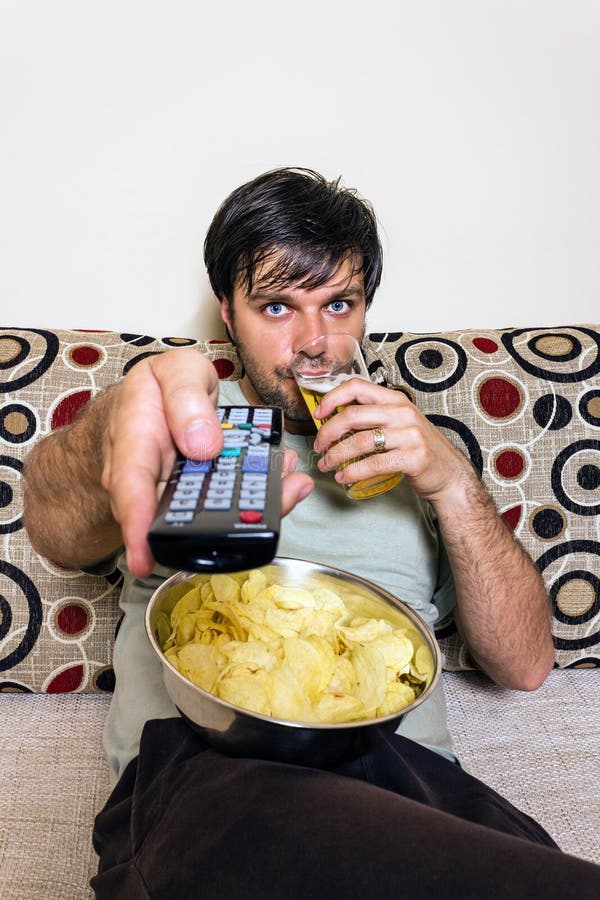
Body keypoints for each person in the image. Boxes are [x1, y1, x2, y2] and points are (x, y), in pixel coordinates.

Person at [23, 168, 600, 898]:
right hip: (210, 772)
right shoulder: (180, 420)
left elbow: (524, 665)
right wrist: (111, 426)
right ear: (227, 316)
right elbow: (54, 531)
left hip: (411, 787)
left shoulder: (417, 452)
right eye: (275, 306)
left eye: (339, 304)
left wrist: (452, 482)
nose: (313, 342)